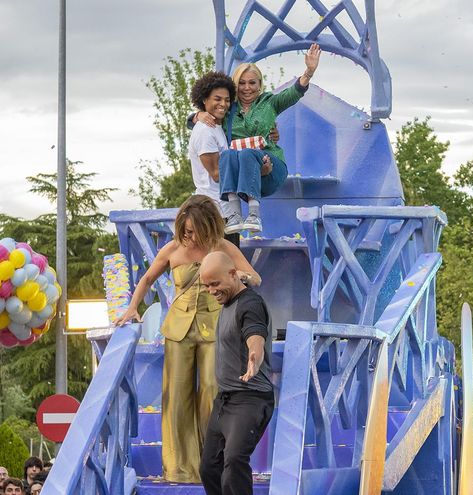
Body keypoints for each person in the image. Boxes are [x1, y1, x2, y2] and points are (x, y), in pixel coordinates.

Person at [117, 195, 261, 483]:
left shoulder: (223, 248)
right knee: (176, 397)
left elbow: (255, 278)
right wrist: (132, 307)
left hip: (217, 330)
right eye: (184, 230)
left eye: (193, 231)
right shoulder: (173, 249)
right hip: (179, 330)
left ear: (208, 227)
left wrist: (240, 276)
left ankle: (213, 466)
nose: (188, 236)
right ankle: (180, 469)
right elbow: (146, 280)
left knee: (212, 392)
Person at [193, 44, 322, 233]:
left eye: (252, 83)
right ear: (235, 86)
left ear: (259, 85)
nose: (247, 88)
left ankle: (254, 214)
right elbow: (209, 114)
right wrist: (196, 116)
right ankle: (234, 215)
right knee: (230, 155)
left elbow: (293, 92)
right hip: (246, 172)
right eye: (242, 83)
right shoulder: (229, 110)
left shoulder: (269, 103)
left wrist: (309, 72)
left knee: (246, 153)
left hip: (270, 167)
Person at [198, 251, 274, 495]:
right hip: (225, 400)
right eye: (207, 285)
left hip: (251, 399)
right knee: (209, 468)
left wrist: (255, 356)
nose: (211, 290)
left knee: (234, 463)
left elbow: (255, 337)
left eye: (215, 283)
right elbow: (241, 278)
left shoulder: (250, 304)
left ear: (232, 275)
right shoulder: (230, 298)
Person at [188, 71, 270, 247]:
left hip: (227, 213)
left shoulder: (218, 126)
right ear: (204, 100)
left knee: (230, 269)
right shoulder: (204, 131)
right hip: (212, 212)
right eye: (217, 99)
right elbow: (217, 174)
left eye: (226, 100)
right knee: (217, 269)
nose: (223, 104)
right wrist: (253, 169)